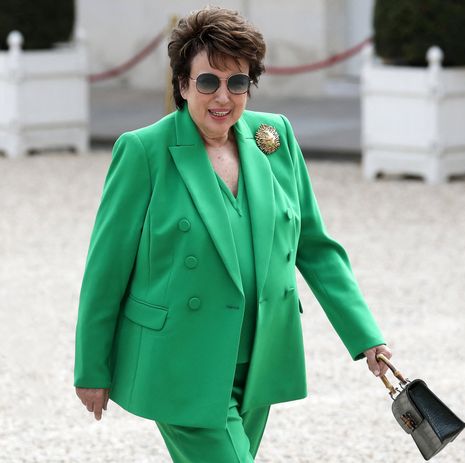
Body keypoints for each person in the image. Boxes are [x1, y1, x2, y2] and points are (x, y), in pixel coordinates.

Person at [73, 6, 391, 462]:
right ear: (182, 86)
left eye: (236, 82)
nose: (223, 96)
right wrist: (92, 366)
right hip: (182, 358)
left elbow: (315, 248)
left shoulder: (274, 137)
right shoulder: (143, 151)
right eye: (208, 82)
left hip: (261, 355)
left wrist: (365, 336)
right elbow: (106, 268)